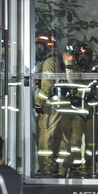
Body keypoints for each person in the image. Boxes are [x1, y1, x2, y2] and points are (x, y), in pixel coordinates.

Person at [35, 33, 72, 178]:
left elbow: (46, 86)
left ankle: (46, 168)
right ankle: (62, 169)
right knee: (63, 136)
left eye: (39, 46)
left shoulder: (49, 62)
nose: (38, 49)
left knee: (45, 135)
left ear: (45, 46)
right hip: (63, 103)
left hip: (52, 104)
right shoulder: (59, 60)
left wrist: (38, 103)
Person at [69, 44, 98, 173]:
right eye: (80, 55)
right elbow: (70, 87)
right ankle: (75, 163)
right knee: (74, 140)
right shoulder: (73, 72)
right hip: (76, 112)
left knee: (92, 140)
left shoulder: (95, 72)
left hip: (91, 112)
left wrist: (94, 98)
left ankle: (91, 163)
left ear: (90, 56)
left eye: (85, 55)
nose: (82, 58)